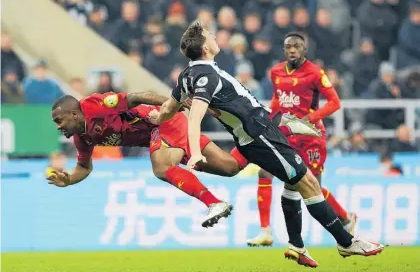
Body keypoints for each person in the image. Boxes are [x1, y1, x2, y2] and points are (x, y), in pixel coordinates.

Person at [151, 22, 384, 268]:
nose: (215, 37)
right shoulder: (206, 78)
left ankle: (297, 245)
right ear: (206, 48)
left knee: (293, 184)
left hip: (261, 131)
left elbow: (168, 108)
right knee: (307, 182)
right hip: (260, 136)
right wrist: (196, 152)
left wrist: (157, 118)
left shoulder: (188, 75)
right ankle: (346, 242)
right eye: (211, 36)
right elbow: (195, 116)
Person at [47, 90, 316, 228]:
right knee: (230, 167)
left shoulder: (94, 105)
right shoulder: (82, 137)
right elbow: (84, 166)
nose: (58, 127)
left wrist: (172, 104)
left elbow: (137, 96)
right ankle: (281, 125)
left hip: (161, 121)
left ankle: (214, 203)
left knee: (162, 167)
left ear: (73, 113)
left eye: (59, 120)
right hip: (165, 133)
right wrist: (69, 180)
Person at [247, 32, 357, 253]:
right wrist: (268, 120)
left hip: (312, 137)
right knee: (264, 172)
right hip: (287, 135)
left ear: (304, 49)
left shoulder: (316, 73)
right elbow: (279, 98)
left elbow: (335, 103)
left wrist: (309, 118)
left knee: (313, 187)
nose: (292, 50)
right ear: (284, 49)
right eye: (288, 46)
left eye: (297, 46)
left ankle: (346, 218)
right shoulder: (276, 72)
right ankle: (265, 231)